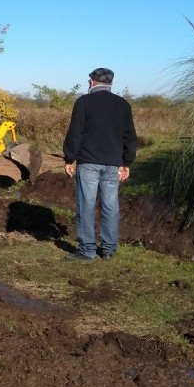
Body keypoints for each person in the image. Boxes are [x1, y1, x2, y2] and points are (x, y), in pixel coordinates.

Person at [62, 67, 137, 261]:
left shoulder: (84, 102)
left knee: (86, 204)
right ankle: (108, 249)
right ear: (110, 83)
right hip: (113, 164)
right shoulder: (123, 105)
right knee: (111, 206)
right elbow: (129, 136)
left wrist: (69, 158)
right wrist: (126, 162)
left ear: (93, 82)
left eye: (90, 81)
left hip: (88, 162)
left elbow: (75, 133)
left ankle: (87, 250)